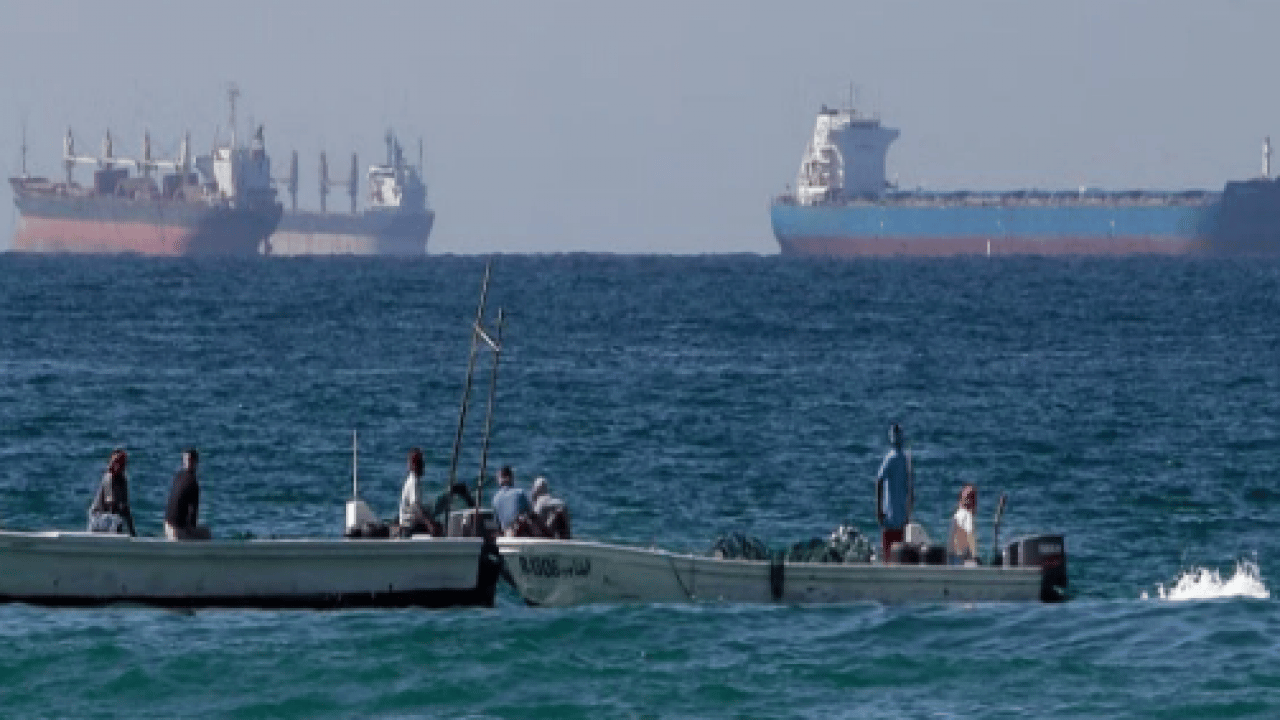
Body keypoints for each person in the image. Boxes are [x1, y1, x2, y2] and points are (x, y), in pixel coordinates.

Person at [875, 423, 913, 562]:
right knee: (899, 553)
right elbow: (910, 487)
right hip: (901, 515)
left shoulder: (890, 458)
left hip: (890, 517)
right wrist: (909, 511)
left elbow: (879, 481)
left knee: (888, 553)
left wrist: (878, 509)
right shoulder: (905, 459)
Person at [87, 449, 136, 536]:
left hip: (111, 517)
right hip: (98, 517)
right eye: (113, 462)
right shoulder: (109, 478)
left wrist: (133, 532)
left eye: (120, 463)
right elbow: (111, 505)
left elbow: (126, 508)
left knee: (118, 518)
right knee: (116, 519)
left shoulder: (123, 480)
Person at [164, 448, 211, 540]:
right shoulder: (193, 483)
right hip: (177, 532)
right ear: (196, 462)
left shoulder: (178, 476)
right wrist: (190, 530)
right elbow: (193, 515)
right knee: (206, 533)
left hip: (167, 526)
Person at [490, 465, 545, 537]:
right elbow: (532, 515)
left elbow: (498, 524)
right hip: (519, 533)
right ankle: (549, 538)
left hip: (506, 534)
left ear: (500, 479)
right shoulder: (520, 493)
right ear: (510, 477)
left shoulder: (495, 499)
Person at [398, 447, 439, 536]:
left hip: (410, 522)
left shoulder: (412, 479)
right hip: (409, 526)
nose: (422, 465)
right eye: (419, 463)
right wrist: (429, 524)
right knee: (438, 527)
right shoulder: (413, 480)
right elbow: (416, 506)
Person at [948, 484, 979, 565]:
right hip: (962, 558)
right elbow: (970, 535)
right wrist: (975, 556)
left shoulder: (957, 515)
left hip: (951, 556)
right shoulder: (967, 516)